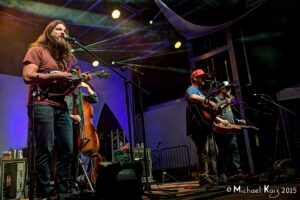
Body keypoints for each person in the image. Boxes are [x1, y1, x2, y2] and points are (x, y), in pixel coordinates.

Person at [22, 19, 88, 199]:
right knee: (45, 148)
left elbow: (65, 89)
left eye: (65, 30)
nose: (62, 32)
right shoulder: (37, 51)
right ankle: (44, 192)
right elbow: (27, 76)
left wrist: (75, 81)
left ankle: (63, 191)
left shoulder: (66, 59)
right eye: (58, 29)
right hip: (42, 103)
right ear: (49, 32)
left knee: (67, 148)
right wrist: (55, 75)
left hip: (61, 106)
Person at [185, 69, 219, 186]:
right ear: (194, 78)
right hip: (198, 127)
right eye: (201, 77)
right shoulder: (192, 89)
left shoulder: (202, 92)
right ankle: (204, 178)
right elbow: (192, 97)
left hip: (206, 126)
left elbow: (207, 111)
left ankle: (214, 177)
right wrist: (209, 101)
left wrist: (220, 119)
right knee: (204, 151)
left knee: (213, 152)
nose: (204, 79)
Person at [212, 81, 246, 183]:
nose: (230, 90)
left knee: (235, 151)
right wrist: (222, 121)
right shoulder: (215, 100)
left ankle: (239, 173)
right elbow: (213, 114)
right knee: (223, 153)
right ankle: (222, 175)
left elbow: (229, 114)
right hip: (221, 131)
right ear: (222, 89)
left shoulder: (228, 100)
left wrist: (237, 120)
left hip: (231, 130)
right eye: (228, 88)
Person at [65, 81, 99, 179]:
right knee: (67, 155)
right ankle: (66, 181)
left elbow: (95, 99)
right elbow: (60, 112)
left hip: (80, 130)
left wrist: (87, 86)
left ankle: (73, 181)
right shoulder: (63, 97)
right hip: (67, 128)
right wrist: (71, 116)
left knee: (76, 157)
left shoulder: (81, 96)